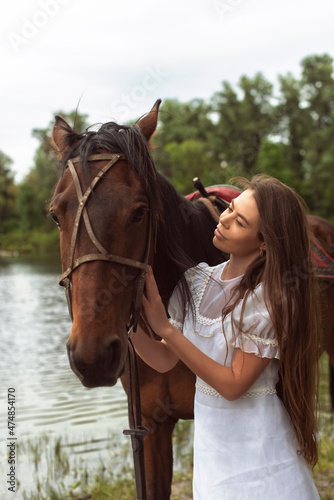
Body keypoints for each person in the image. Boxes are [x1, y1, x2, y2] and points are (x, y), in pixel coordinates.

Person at [131, 175, 320, 499]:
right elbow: (165, 359)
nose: (225, 219)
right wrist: (129, 325)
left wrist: (166, 329)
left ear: (264, 243)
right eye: (230, 209)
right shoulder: (197, 280)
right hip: (213, 445)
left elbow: (233, 385)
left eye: (240, 221)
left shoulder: (270, 299)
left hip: (258, 445)